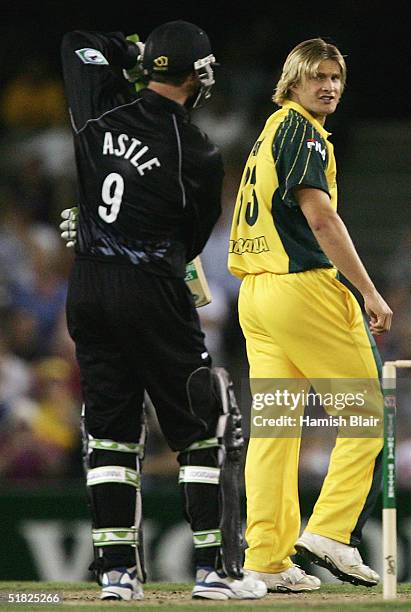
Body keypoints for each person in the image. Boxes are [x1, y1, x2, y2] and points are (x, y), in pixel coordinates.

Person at [60, 21, 266, 601]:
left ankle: (117, 575)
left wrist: (129, 53)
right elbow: (191, 240)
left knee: (111, 432)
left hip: (90, 289)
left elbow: (79, 41)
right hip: (151, 292)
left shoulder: (96, 111)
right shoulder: (197, 152)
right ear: (197, 77)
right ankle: (215, 571)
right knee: (204, 424)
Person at [228, 38, 393, 592]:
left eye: (335, 79)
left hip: (257, 295)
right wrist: (368, 290)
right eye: (317, 77)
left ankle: (266, 560)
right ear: (293, 83)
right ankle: (331, 531)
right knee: (365, 415)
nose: (328, 86)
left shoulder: (269, 132)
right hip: (303, 290)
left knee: (274, 431)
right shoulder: (302, 132)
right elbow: (321, 218)